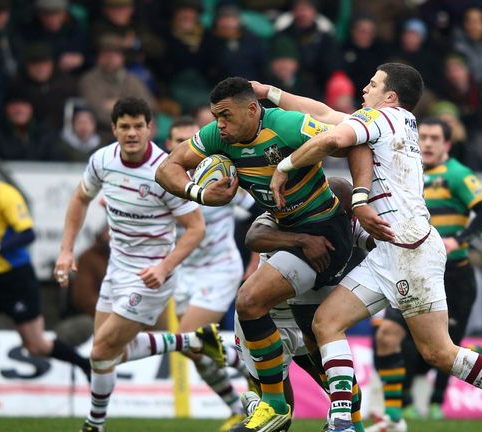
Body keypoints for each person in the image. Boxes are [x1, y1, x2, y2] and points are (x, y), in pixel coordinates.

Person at [259, 62, 482, 432]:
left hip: (411, 249)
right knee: (327, 322)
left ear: (391, 96)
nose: (364, 88)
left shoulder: (386, 118)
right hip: (387, 249)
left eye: (372, 84)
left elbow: (332, 139)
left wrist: (284, 166)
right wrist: (269, 92)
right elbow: (323, 114)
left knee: (439, 352)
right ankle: (342, 423)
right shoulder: (387, 122)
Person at [154, 77, 354, 432]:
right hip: (288, 234)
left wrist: (363, 197)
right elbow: (166, 167)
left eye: (226, 116)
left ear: (252, 109)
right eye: (216, 116)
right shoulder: (219, 137)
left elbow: (345, 142)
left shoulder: (287, 125)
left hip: (324, 232)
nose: (220, 125)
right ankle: (345, 423)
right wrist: (198, 193)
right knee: (312, 346)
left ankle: (273, 405)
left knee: (249, 301)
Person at [53, 97, 216, 432]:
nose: (131, 133)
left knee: (100, 351)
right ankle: (190, 342)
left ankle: (93, 422)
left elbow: (196, 228)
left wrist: (164, 267)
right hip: (118, 268)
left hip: (151, 275)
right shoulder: (102, 160)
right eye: (124, 126)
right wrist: (66, 250)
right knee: (107, 355)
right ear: (113, 129)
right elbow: (80, 199)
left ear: (150, 128)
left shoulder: (165, 171)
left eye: (138, 126)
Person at [366, 118, 482, 430]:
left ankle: (438, 402)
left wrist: (460, 239)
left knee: (447, 346)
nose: (427, 143)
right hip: (415, 271)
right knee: (388, 335)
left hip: (456, 275)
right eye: (422, 136)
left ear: (447, 144)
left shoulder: (458, 174)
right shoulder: (409, 173)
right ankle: (395, 416)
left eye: (434, 138)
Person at [0, 149, 91, 417]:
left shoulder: (4, 194)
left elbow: (27, 234)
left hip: (16, 277)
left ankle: (85, 363)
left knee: (36, 346)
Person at [237, 177, 370, 432]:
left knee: (338, 381)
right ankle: (259, 405)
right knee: (279, 417)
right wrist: (302, 240)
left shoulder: (350, 224)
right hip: (267, 318)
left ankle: (353, 427)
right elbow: (253, 237)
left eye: (341, 215)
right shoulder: (290, 211)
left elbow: (375, 242)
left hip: (309, 309)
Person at [164, 116, 255, 432]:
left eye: (190, 139)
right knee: (192, 350)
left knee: (188, 337)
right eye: (178, 140)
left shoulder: (221, 172)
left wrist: (256, 257)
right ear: (168, 145)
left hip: (219, 269)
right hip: (182, 272)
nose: (184, 146)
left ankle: (253, 372)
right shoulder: (163, 178)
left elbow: (258, 211)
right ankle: (236, 405)